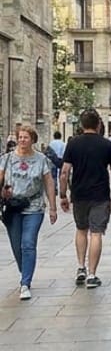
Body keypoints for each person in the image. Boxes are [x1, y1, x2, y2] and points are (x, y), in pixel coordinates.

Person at [59, 109, 111, 289]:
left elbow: (64, 172)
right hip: (100, 195)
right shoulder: (107, 145)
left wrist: (63, 194)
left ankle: (81, 267)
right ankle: (92, 274)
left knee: (81, 230)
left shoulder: (73, 144)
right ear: (98, 125)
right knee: (96, 233)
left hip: (79, 194)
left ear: (81, 125)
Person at [0, 128, 57, 301]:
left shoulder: (41, 160)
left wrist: (53, 208)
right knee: (17, 246)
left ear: (33, 139)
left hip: (34, 206)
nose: (22, 140)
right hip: (12, 207)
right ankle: (25, 270)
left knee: (28, 243)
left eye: (26, 137)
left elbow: (49, 184)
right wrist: (3, 192)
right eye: (20, 137)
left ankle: (25, 283)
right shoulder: (6, 159)